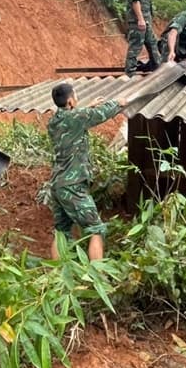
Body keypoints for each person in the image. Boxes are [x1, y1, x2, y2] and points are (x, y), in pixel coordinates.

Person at [47, 83, 128, 260]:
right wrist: (118, 102)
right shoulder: (78, 116)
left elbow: (74, 117)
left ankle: (53, 277)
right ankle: (96, 276)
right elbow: (101, 114)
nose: (77, 98)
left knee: (61, 231)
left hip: (57, 185)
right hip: (73, 185)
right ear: (70, 101)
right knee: (96, 229)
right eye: (75, 96)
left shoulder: (53, 121)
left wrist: (87, 106)